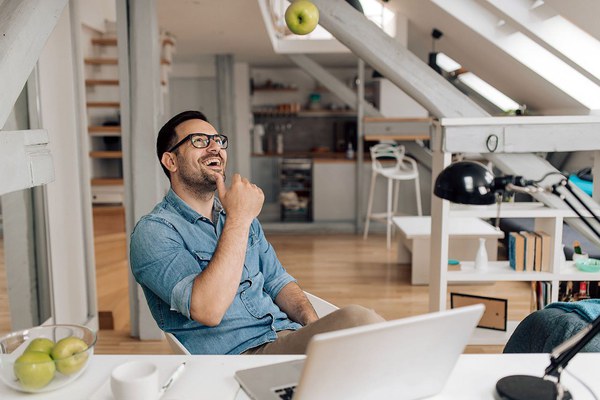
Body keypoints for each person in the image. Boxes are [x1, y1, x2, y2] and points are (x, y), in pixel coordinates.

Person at [129, 110, 384, 355]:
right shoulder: (154, 232)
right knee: (359, 319)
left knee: (371, 342)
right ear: (170, 161)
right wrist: (239, 217)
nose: (215, 147)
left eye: (218, 140)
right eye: (199, 141)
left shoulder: (237, 215)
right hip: (243, 356)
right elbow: (208, 310)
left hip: (285, 337)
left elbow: (277, 281)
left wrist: (314, 329)